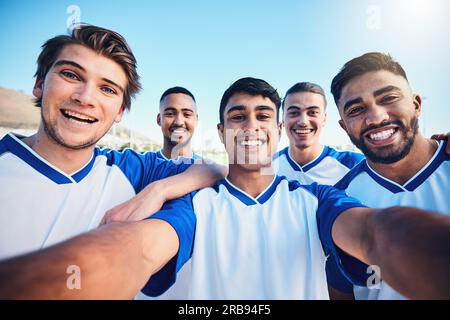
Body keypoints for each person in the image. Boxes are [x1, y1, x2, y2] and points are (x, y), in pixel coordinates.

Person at [2, 77, 450, 300]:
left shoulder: (315, 199)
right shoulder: (195, 204)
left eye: (261, 116)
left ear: (277, 130)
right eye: (238, 117)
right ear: (220, 131)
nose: (250, 127)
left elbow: (376, 234)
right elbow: (134, 250)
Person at [0, 24, 223, 269]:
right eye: (71, 75)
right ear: (40, 84)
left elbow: (214, 169)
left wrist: (158, 191)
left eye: (106, 89)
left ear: (119, 111)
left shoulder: (132, 170)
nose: (85, 98)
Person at [327, 52, 450, 300]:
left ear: (416, 104)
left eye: (389, 98)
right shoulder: (342, 200)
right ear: (343, 126)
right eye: (356, 109)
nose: (376, 117)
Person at [274, 82, 364, 185]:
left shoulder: (354, 165)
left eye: (312, 112)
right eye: (294, 113)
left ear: (324, 119)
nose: (303, 121)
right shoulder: (267, 167)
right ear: (283, 119)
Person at [155, 86, 202, 161]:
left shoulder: (209, 170)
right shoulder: (142, 165)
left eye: (187, 114)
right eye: (170, 114)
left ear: (196, 120)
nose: (179, 122)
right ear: (159, 119)